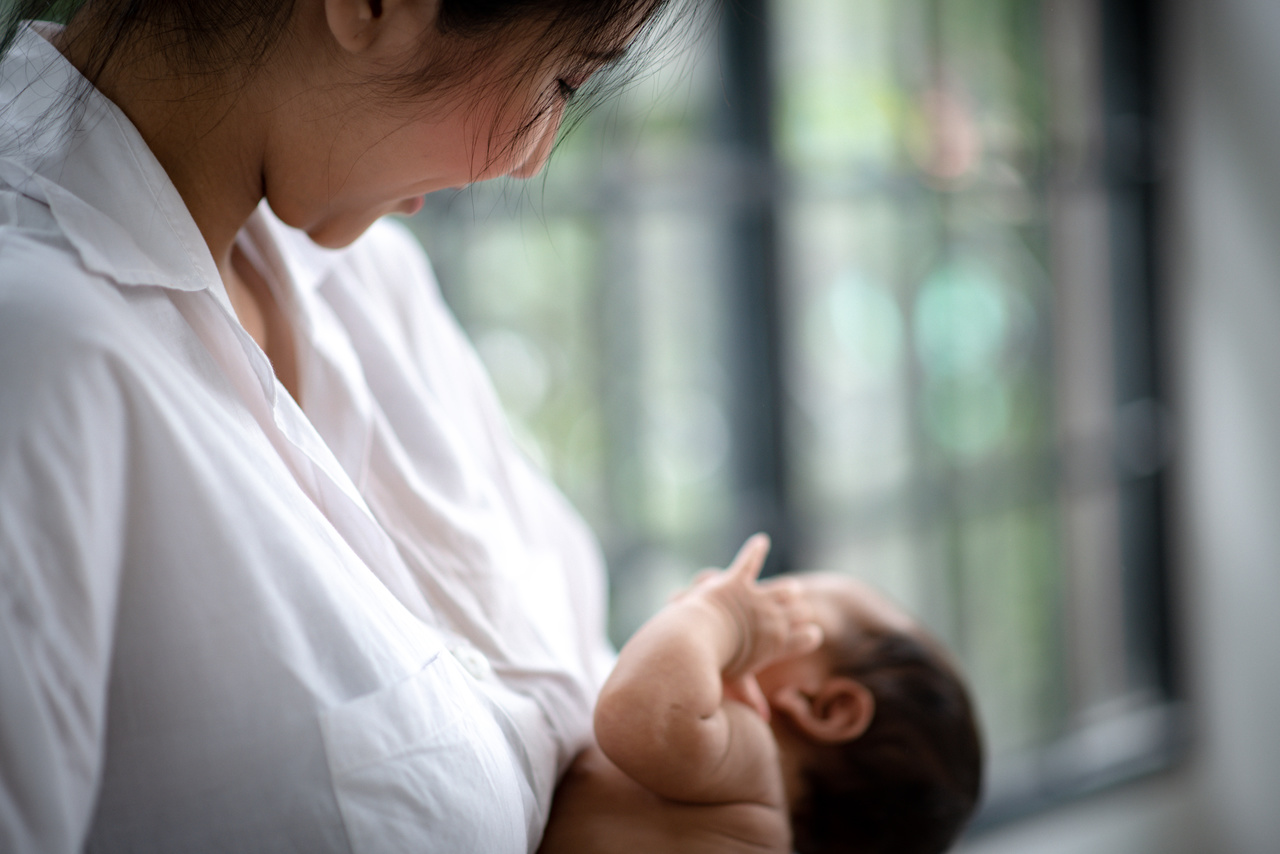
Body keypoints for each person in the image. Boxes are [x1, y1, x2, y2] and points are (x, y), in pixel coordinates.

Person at [0, 0, 689, 851]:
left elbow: (578, 681)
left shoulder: (373, 286)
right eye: (561, 80)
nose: (532, 158)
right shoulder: (35, 355)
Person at [538, 534, 984, 854]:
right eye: (755, 604)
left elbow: (633, 715)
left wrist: (719, 615)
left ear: (825, 707)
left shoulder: (749, 761)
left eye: (781, 606)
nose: (749, 600)